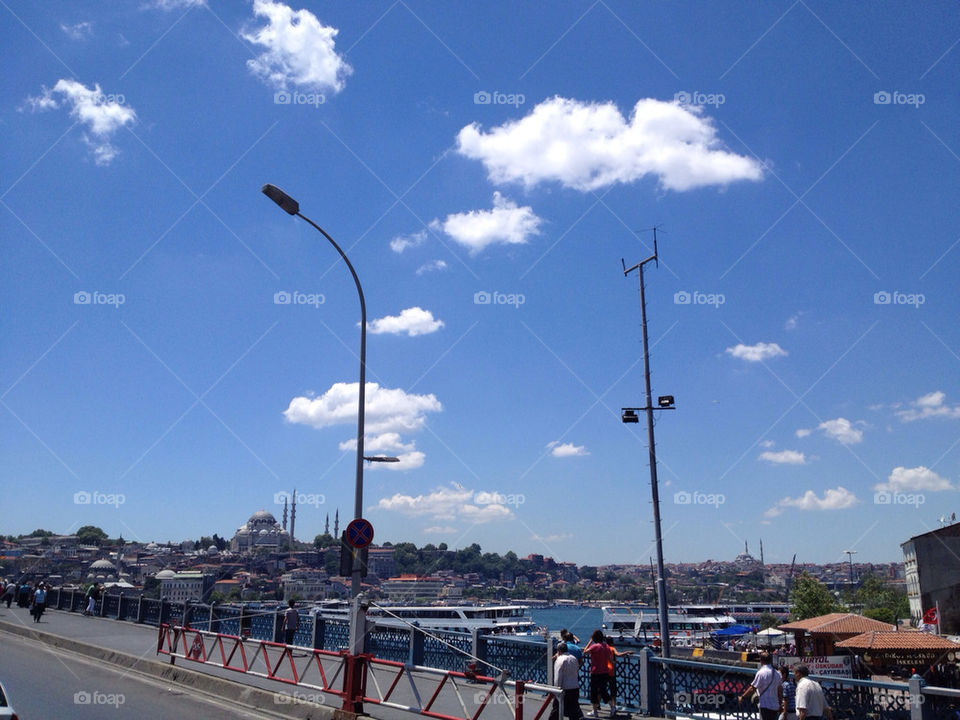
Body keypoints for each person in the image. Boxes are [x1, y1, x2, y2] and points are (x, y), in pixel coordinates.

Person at [740, 651, 783, 720]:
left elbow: (752, 688)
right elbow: (780, 690)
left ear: (761, 661)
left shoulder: (761, 673)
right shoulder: (777, 674)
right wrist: (780, 704)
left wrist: (742, 697)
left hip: (765, 705)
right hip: (775, 705)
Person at [549, 642, 583, 720]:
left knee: (556, 710)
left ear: (558, 651)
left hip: (564, 689)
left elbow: (558, 676)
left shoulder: (560, 659)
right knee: (573, 712)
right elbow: (576, 670)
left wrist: (556, 690)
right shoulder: (574, 658)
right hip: (575, 688)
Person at [583, 630, 612, 718]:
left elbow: (585, 652)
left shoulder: (595, 646)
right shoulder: (606, 646)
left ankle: (595, 712)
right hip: (605, 671)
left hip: (595, 672)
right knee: (603, 691)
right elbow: (610, 657)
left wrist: (590, 641)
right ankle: (613, 707)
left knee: (594, 692)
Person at [606, 636, 634, 717]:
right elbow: (618, 654)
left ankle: (597, 706)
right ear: (612, 642)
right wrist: (627, 652)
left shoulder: (603, 648)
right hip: (611, 671)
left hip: (603, 670)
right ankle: (613, 706)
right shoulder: (612, 648)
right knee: (613, 690)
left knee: (602, 689)